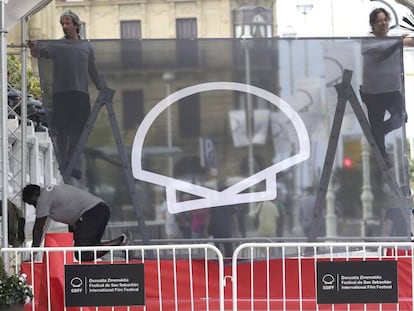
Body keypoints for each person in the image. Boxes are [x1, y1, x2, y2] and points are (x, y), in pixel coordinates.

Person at [27, 9, 103, 168]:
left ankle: (71, 159)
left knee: (79, 129)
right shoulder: (58, 45)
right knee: (61, 129)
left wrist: (101, 87)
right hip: (61, 93)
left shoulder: (86, 46)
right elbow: (38, 53)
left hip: (80, 92)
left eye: (67, 23)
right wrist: (33, 48)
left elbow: (93, 69)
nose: (64, 26)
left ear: (76, 25)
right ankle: (63, 161)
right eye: (62, 23)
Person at [360, 8, 414, 165]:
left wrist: (400, 41)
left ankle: (376, 133)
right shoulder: (367, 41)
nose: (383, 23)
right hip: (373, 93)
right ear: (372, 24)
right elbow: (381, 54)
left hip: (392, 91)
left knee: (400, 119)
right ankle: (382, 159)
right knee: (377, 128)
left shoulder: (393, 40)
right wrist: (397, 42)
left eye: (385, 20)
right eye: (379, 21)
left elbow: (409, 42)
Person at [22, 184, 126, 261]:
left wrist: (33, 254)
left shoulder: (43, 199)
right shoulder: (50, 193)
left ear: (36, 194)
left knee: (83, 254)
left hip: (91, 212)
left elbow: (38, 229)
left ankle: (121, 241)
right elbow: (48, 226)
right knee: (88, 249)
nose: (35, 206)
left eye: (32, 202)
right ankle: (120, 242)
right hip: (99, 210)